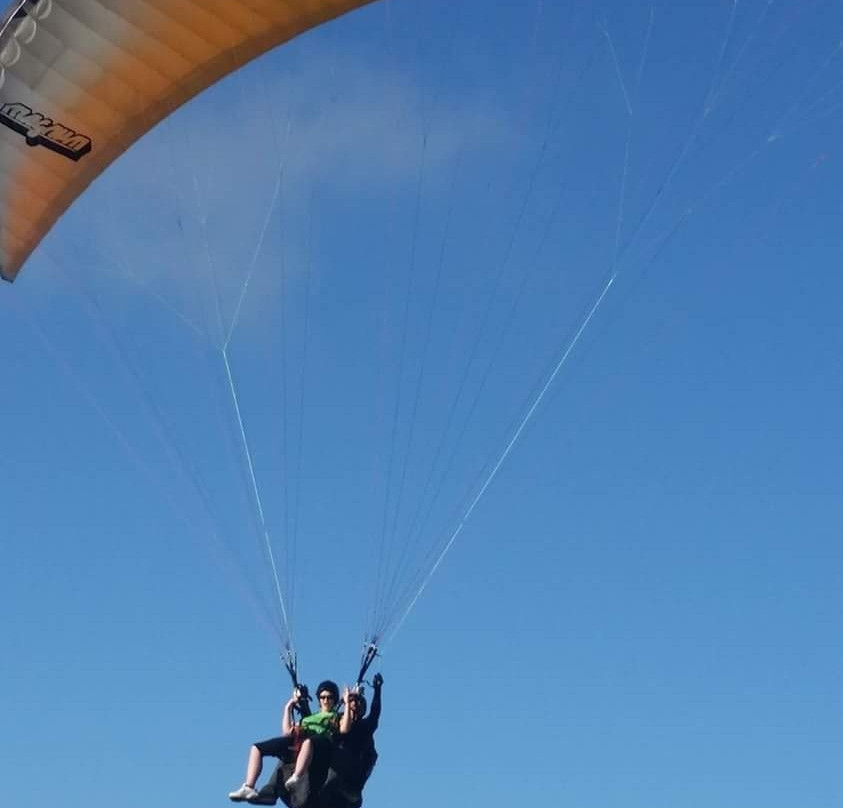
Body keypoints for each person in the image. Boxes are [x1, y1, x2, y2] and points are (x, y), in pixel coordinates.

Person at [228, 680, 340, 805]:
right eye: (322, 697)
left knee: (307, 743)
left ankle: (296, 776)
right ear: (319, 699)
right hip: (297, 741)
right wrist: (289, 705)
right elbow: (287, 731)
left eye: (329, 697)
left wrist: (348, 700)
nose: (325, 700)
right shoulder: (308, 718)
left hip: (316, 744)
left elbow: (345, 727)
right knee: (256, 748)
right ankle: (249, 787)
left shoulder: (335, 717)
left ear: (334, 700)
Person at [325, 672, 383, 807]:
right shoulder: (336, 722)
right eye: (352, 704)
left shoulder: (365, 727)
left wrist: (377, 690)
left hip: (353, 772)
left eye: (358, 704)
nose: (355, 706)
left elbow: (375, 712)